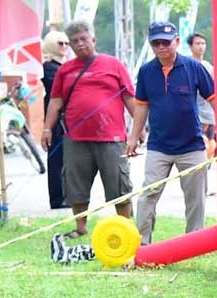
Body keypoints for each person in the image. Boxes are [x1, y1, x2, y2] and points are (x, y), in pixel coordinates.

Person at [42, 20, 135, 239]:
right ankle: (81, 227)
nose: (80, 44)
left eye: (84, 39)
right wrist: (47, 129)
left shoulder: (113, 65)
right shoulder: (65, 70)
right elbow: (55, 102)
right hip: (76, 137)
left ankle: (125, 226)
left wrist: (138, 129)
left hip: (111, 137)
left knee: (118, 184)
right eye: (75, 41)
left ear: (93, 39)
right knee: (75, 184)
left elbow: (130, 98)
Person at [126, 21, 215, 245]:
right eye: (156, 43)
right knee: (148, 195)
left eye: (166, 42)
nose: (161, 47)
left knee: (196, 199)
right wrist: (133, 138)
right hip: (159, 146)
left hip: (192, 145)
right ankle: (142, 244)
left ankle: (193, 243)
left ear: (176, 41)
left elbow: (215, 99)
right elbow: (142, 106)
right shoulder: (146, 71)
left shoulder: (194, 68)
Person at [41, 30, 70, 209]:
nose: (65, 47)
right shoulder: (48, 67)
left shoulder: (64, 65)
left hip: (68, 120)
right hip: (55, 121)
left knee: (68, 160)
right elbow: (59, 92)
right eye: (60, 43)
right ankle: (57, 199)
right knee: (56, 160)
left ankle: (67, 195)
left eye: (66, 43)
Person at [187, 32, 217, 160]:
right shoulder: (186, 65)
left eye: (203, 43)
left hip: (210, 114)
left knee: (210, 145)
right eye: (198, 43)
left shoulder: (209, 67)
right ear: (191, 46)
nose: (201, 46)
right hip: (195, 114)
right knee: (200, 145)